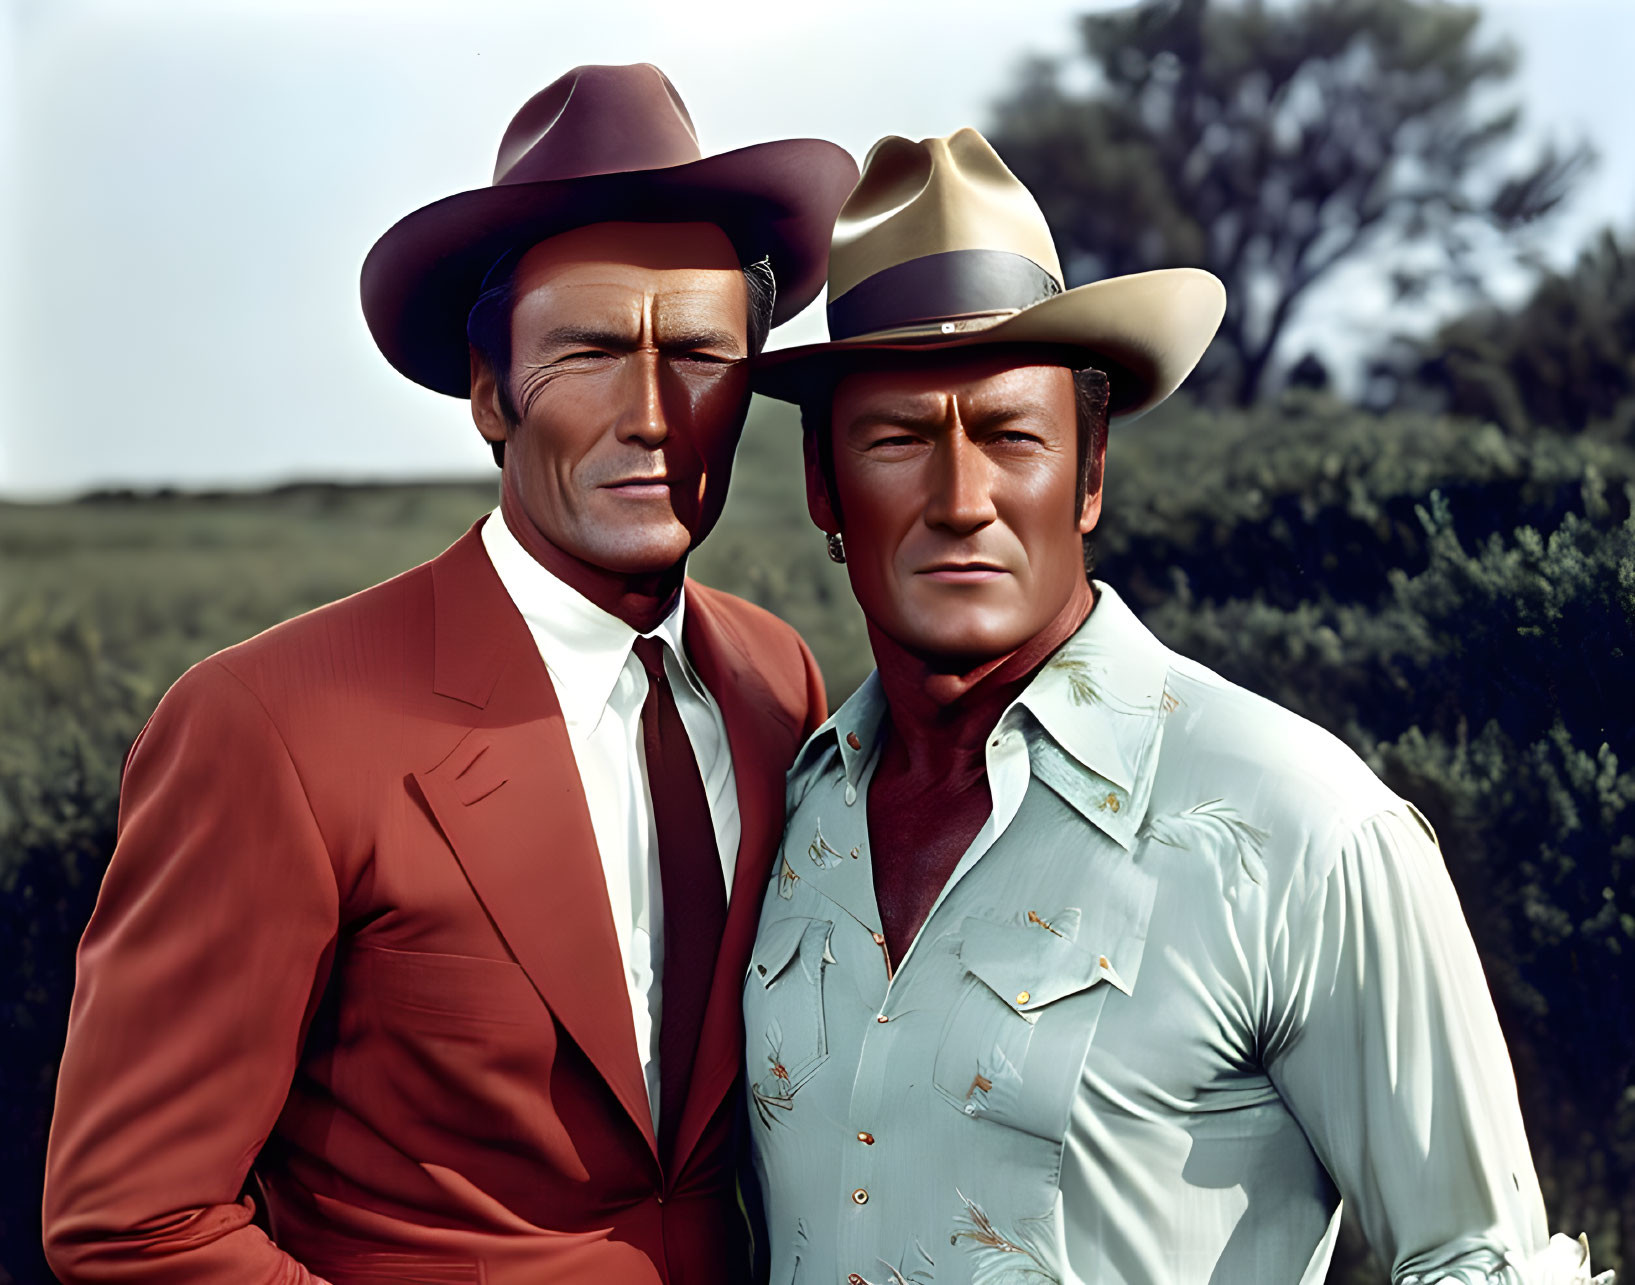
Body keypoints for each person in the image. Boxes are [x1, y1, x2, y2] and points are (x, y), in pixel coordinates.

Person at [741, 128, 1610, 1285]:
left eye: (1011, 435)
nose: (961, 499)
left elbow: (1480, 1259)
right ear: (822, 487)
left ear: (1090, 470)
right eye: (899, 439)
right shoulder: (791, 813)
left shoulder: (1309, 828)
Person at [43, 64, 856, 1285]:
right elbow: (134, 1224)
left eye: (698, 352)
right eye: (585, 349)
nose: (652, 414)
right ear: (489, 388)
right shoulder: (269, 724)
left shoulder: (771, 679)